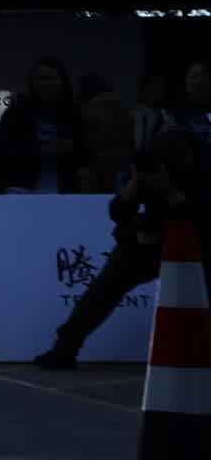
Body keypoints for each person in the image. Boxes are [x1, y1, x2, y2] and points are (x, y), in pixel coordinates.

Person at [36, 130, 201, 369]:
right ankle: (65, 347)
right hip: (143, 247)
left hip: (192, 251)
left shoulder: (200, 179)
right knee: (101, 292)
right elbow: (118, 211)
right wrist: (137, 181)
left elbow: (196, 216)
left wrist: (167, 190)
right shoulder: (147, 178)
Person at [0, 57, 85, 196]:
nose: (45, 84)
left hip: (64, 190)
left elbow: (86, 152)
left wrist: (71, 148)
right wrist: (39, 149)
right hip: (21, 190)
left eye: (51, 78)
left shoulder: (75, 113)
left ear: (63, 82)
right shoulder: (18, 112)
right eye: (39, 78)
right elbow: (0, 150)